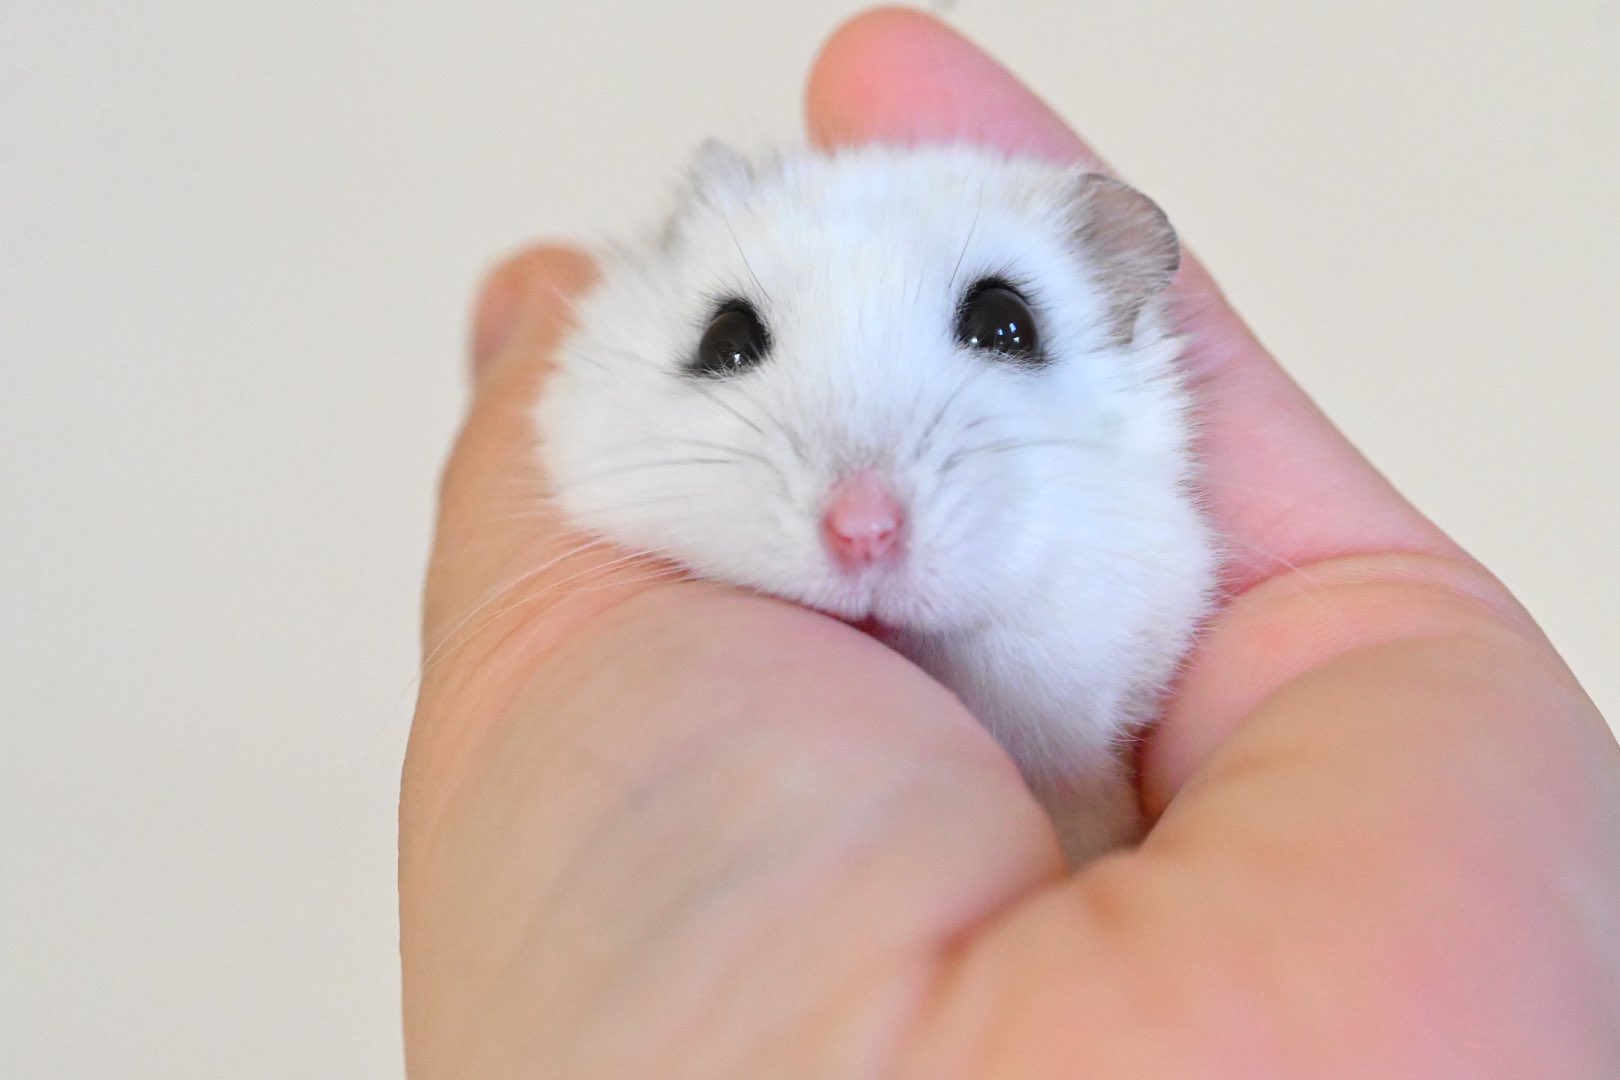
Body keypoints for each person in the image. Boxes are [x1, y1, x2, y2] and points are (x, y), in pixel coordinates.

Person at [399, 9, 1620, 1076]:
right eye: (734, 343)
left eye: (997, 329)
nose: (860, 514)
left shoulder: (1188, 590)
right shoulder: (599, 484)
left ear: (1124, 312)